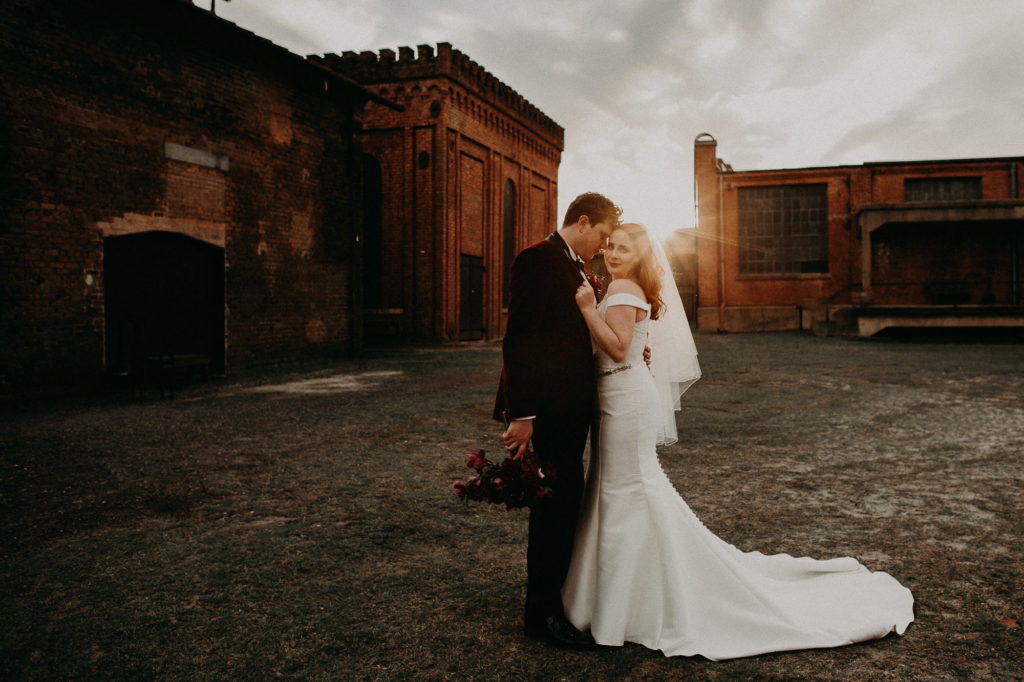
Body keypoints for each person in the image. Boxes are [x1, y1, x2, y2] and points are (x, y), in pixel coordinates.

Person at [561, 222, 915, 660]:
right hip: (622, 393)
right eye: (610, 247)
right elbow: (630, 345)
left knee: (627, 489)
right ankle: (616, 594)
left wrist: (585, 308)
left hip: (623, 399)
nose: (613, 254)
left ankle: (623, 603)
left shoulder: (623, 289)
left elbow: (615, 348)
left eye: (623, 248)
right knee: (619, 487)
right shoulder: (624, 287)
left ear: (639, 255)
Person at [493, 192, 622, 647]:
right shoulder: (537, 259)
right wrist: (523, 414)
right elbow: (520, 339)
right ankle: (542, 614)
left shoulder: (575, 266)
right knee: (553, 510)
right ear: (583, 222)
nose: (603, 247)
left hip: (572, 410)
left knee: (567, 504)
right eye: (603, 236)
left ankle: (557, 601)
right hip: (547, 412)